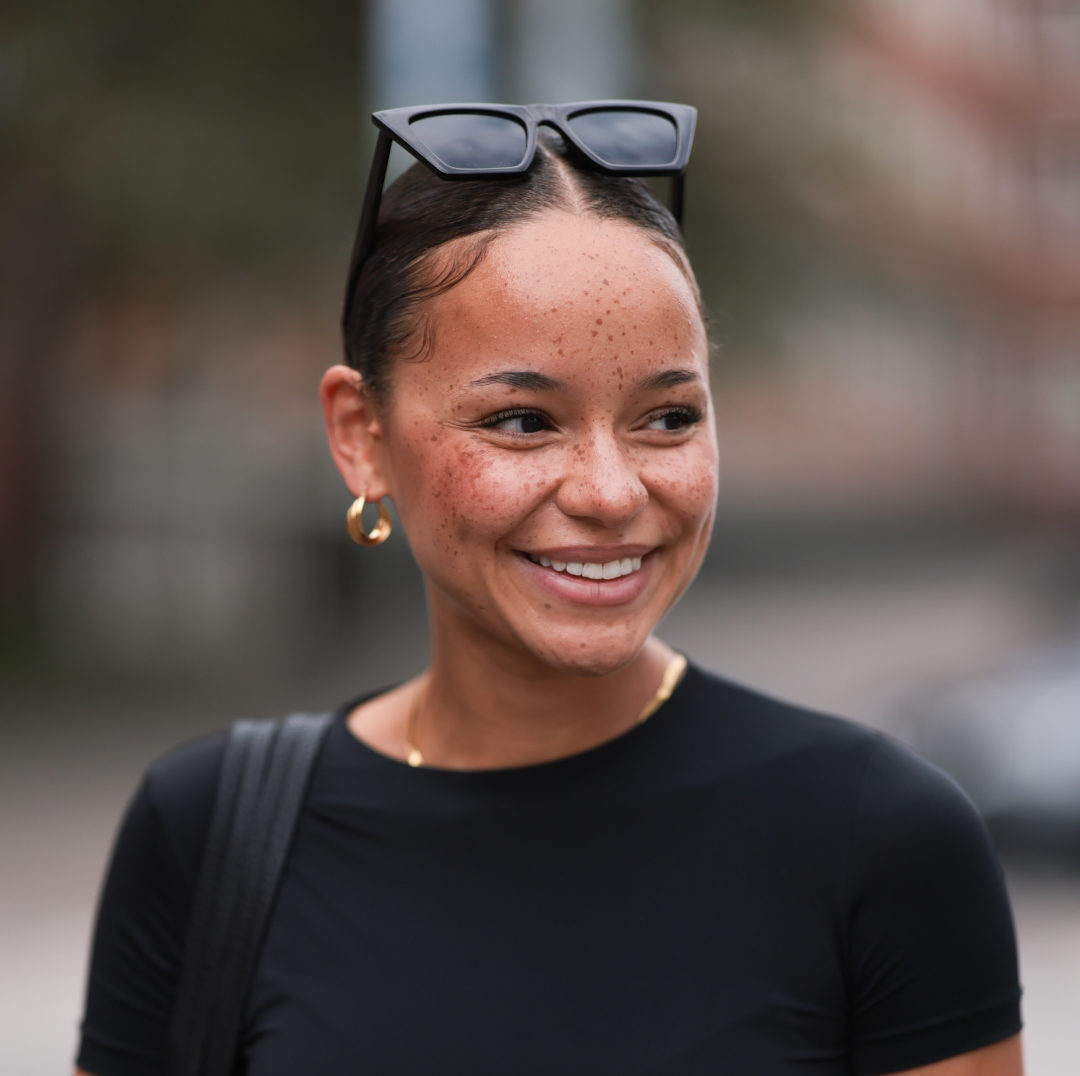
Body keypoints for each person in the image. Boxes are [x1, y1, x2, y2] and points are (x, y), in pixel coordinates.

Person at [75, 102, 1023, 1076]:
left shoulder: (883, 840)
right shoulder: (214, 836)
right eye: (524, 420)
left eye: (667, 416)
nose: (612, 491)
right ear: (362, 436)